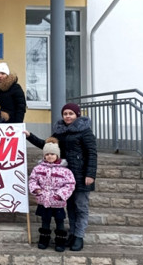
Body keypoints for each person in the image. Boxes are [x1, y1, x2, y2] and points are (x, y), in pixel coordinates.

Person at [24, 103, 97, 252]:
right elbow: (47, 145)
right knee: (70, 207)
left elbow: (92, 153)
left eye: (71, 113)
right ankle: (72, 234)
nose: (68, 116)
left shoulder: (85, 132)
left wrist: (90, 174)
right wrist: (30, 136)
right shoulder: (60, 132)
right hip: (64, 177)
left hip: (81, 175)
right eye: (65, 114)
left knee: (81, 206)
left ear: (77, 115)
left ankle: (79, 236)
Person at [28, 137, 76, 252]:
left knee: (60, 222)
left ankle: (60, 241)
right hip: (44, 200)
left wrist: (60, 194)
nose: (50, 156)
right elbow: (32, 180)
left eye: (52, 154)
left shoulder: (65, 171)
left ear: (57, 155)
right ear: (44, 156)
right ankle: (44, 240)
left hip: (57, 201)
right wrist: (36, 190)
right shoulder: (38, 169)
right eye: (47, 154)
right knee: (45, 221)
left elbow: (70, 184)